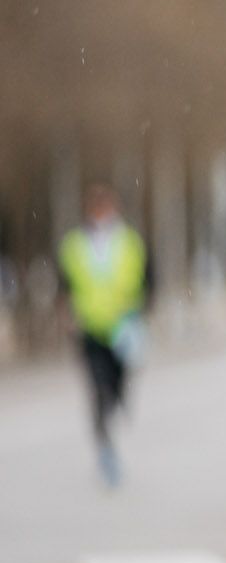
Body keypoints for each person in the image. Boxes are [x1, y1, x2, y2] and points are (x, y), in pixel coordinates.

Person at [56, 185, 149, 487]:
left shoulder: (129, 241)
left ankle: (112, 412)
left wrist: (142, 308)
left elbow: (147, 276)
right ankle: (105, 447)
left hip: (123, 328)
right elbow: (65, 282)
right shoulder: (75, 244)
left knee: (118, 386)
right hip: (91, 328)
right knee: (98, 391)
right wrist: (67, 312)